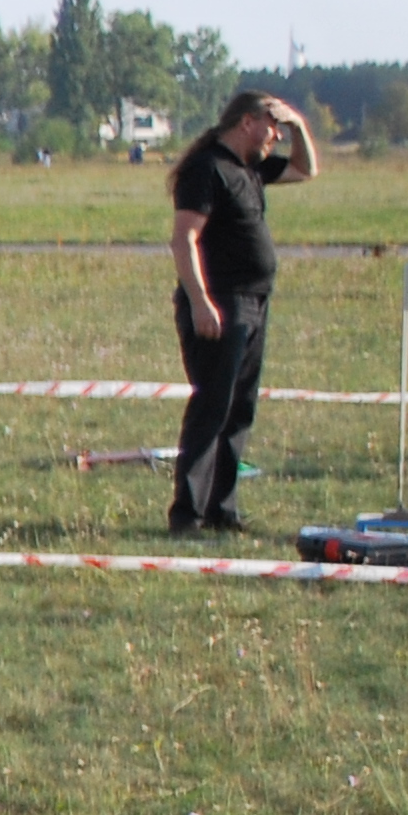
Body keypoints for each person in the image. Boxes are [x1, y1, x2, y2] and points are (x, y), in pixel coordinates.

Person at [164, 90, 318, 535]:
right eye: (272, 127)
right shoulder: (206, 168)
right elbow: (184, 239)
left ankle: (221, 510)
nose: (276, 136)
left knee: (239, 410)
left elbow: (306, 169)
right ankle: (188, 515)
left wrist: (298, 125)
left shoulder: (248, 168)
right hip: (222, 303)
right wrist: (200, 301)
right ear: (247, 122)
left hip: (255, 301)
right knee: (212, 407)